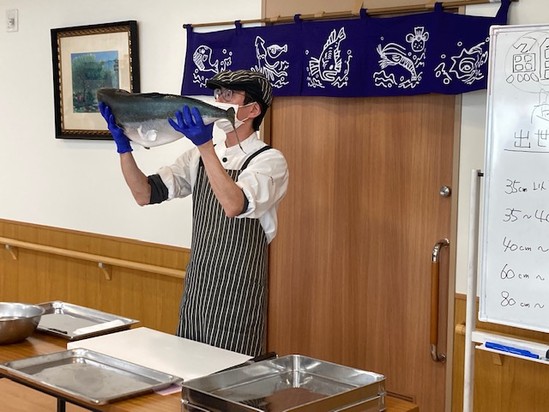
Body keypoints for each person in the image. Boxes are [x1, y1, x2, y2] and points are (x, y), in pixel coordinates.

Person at [99, 69, 289, 357]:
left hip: (238, 290)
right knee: (189, 365)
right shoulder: (197, 156)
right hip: (198, 285)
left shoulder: (268, 160)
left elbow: (234, 204)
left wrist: (204, 146)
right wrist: (124, 148)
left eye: (229, 94)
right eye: (218, 93)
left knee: (231, 373)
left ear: (253, 109)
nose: (219, 99)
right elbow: (144, 194)